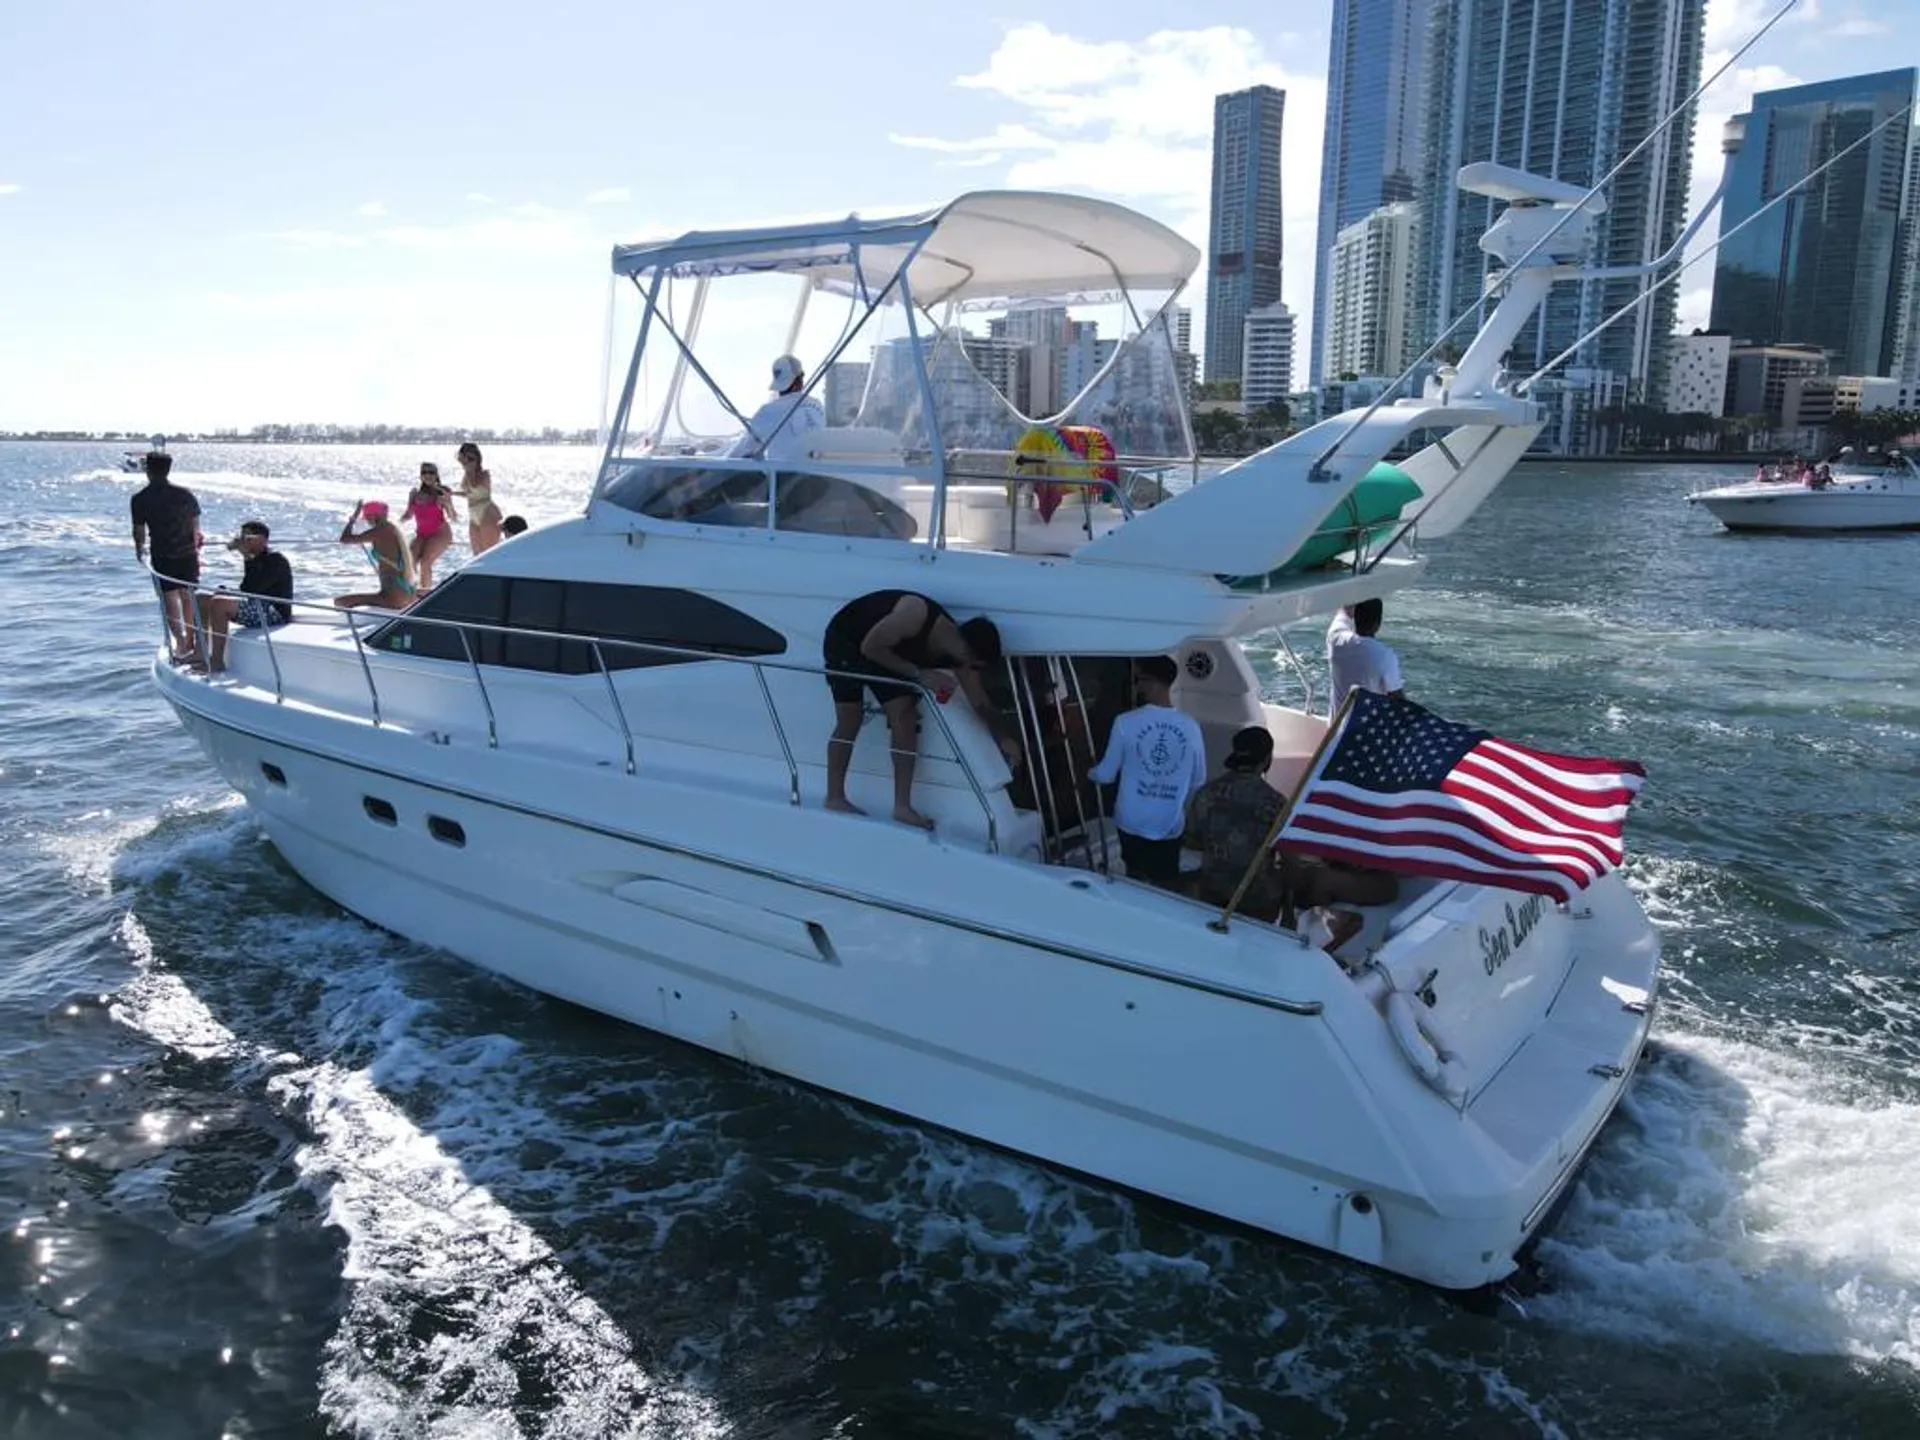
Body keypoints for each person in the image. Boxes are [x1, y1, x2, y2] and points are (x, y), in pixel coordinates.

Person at [821, 590, 1022, 829]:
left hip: (890, 653)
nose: (971, 670)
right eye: (974, 665)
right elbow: (870, 647)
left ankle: (902, 807)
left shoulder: (962, 657)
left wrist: (1003, 738)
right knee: (850, 718)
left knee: (905, 717)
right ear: (966, 651)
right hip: (850, 640)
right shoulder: (915, 615)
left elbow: (980, 702)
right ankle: (835, 797)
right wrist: (921, 675)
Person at [1186, 725, 1388, 948]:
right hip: (1257, 901)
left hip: (1212, 891)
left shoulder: (1206, 794)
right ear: (1266, 760)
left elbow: (1193, 840)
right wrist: (1290, 905)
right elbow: (1291, 865)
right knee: (1315, 880)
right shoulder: (1276, 804)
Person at [1087, 655, 1205, 887]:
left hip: (1130, 821)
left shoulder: (1124, 722)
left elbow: (1106, 775)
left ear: (1152, 682)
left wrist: (1090, 772)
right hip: (1169, 822)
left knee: (1135, 878)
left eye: (1139, 679)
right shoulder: (1191, 726)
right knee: (1166, 882)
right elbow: (1199, 779)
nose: (1137, 686)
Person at [130, 451, 203, 663]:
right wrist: (196, 545)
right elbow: (195, 526)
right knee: (188, 595)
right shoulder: (185, 494)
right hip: (188, 552)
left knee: (169, 597)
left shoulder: (140, 498)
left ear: (148, 470)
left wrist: (139, 549)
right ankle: (191, 639)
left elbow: (139, 530)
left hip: (162, 553)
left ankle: (180, 642)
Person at [197, 520, 294, 673]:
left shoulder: (276, 559)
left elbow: (252, 589)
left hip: (274, 611)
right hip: (256, 604)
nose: (244, 541)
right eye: (242, 537)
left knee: (219, 603)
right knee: (202, 598)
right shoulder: (255, 558)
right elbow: (245, 588)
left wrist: (247, 557)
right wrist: (247, 559)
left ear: (262, 539)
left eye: (248, 538)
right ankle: (199, 653)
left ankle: (217, 661)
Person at [728, 354, 825, 463]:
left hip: (783, 473)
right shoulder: (818, 405)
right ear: (801, 378)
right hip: (818, 471)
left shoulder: (768, 411)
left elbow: (740, 451)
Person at [1326, 599, 1404, 713]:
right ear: (1377, 624)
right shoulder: (1385, 656)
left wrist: (1357, 596)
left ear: (1355, 618)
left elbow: (1343, 612)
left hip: (1337, 723)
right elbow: (1398, 700)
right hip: (1365, 724)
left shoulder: (1336, 639)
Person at [334, 500, 416, 609]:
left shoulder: (379, 531)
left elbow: (345, 539)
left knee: (340, 602)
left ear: (373, 516)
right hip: (403, 591)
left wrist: (353, 519)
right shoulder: (392, 528)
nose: (367, 521)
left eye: (367, 517)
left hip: (394, 596)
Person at [403, 461, 459, 588]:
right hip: (421, 534)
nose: (427, 475)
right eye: (424, 472)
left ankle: (425, 593)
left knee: (425, 562)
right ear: (420, 476)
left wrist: (448, 503)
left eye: (431, 472)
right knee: (409, 561)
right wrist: (390, 525)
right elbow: (408, 515)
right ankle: (410, 592)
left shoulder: (442, 492)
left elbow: (453, 517)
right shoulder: (415, 493)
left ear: (436, 475)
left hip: (440, 533)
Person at [456, 442, 503, 554]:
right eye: (465, 459)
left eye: (471, 459)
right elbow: (469, 493)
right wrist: (450, 493)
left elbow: (474, 485)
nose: (467, 462)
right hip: (473, 514)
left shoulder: (484, 474)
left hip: (487, 511)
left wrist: (468, 468)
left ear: (478, 458)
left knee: (489, 553)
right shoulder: (467, 474)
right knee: (477, 555)